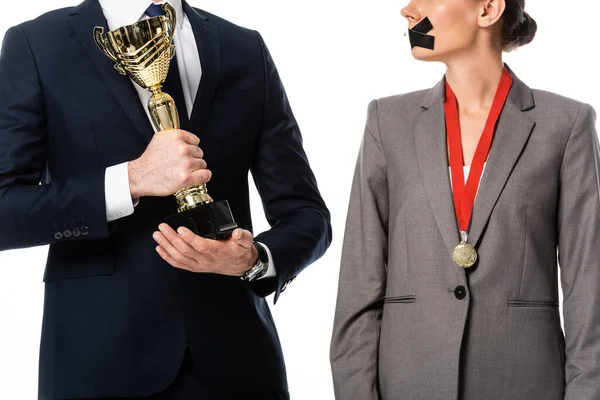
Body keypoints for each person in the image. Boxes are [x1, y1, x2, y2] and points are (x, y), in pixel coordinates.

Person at [0, 0, 331, 399]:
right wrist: (129, 181)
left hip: (237, 361)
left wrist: (255, 259)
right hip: (98, 362)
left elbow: (307, 213)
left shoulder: (244, 47)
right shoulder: (37, 44)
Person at [330, 0, 599, 399]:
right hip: (408, 383)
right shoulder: (388, 123)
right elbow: (359, 282)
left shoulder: (566, 124)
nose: (408, 10)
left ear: (488, 9)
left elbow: (588, 287)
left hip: (524, 383)